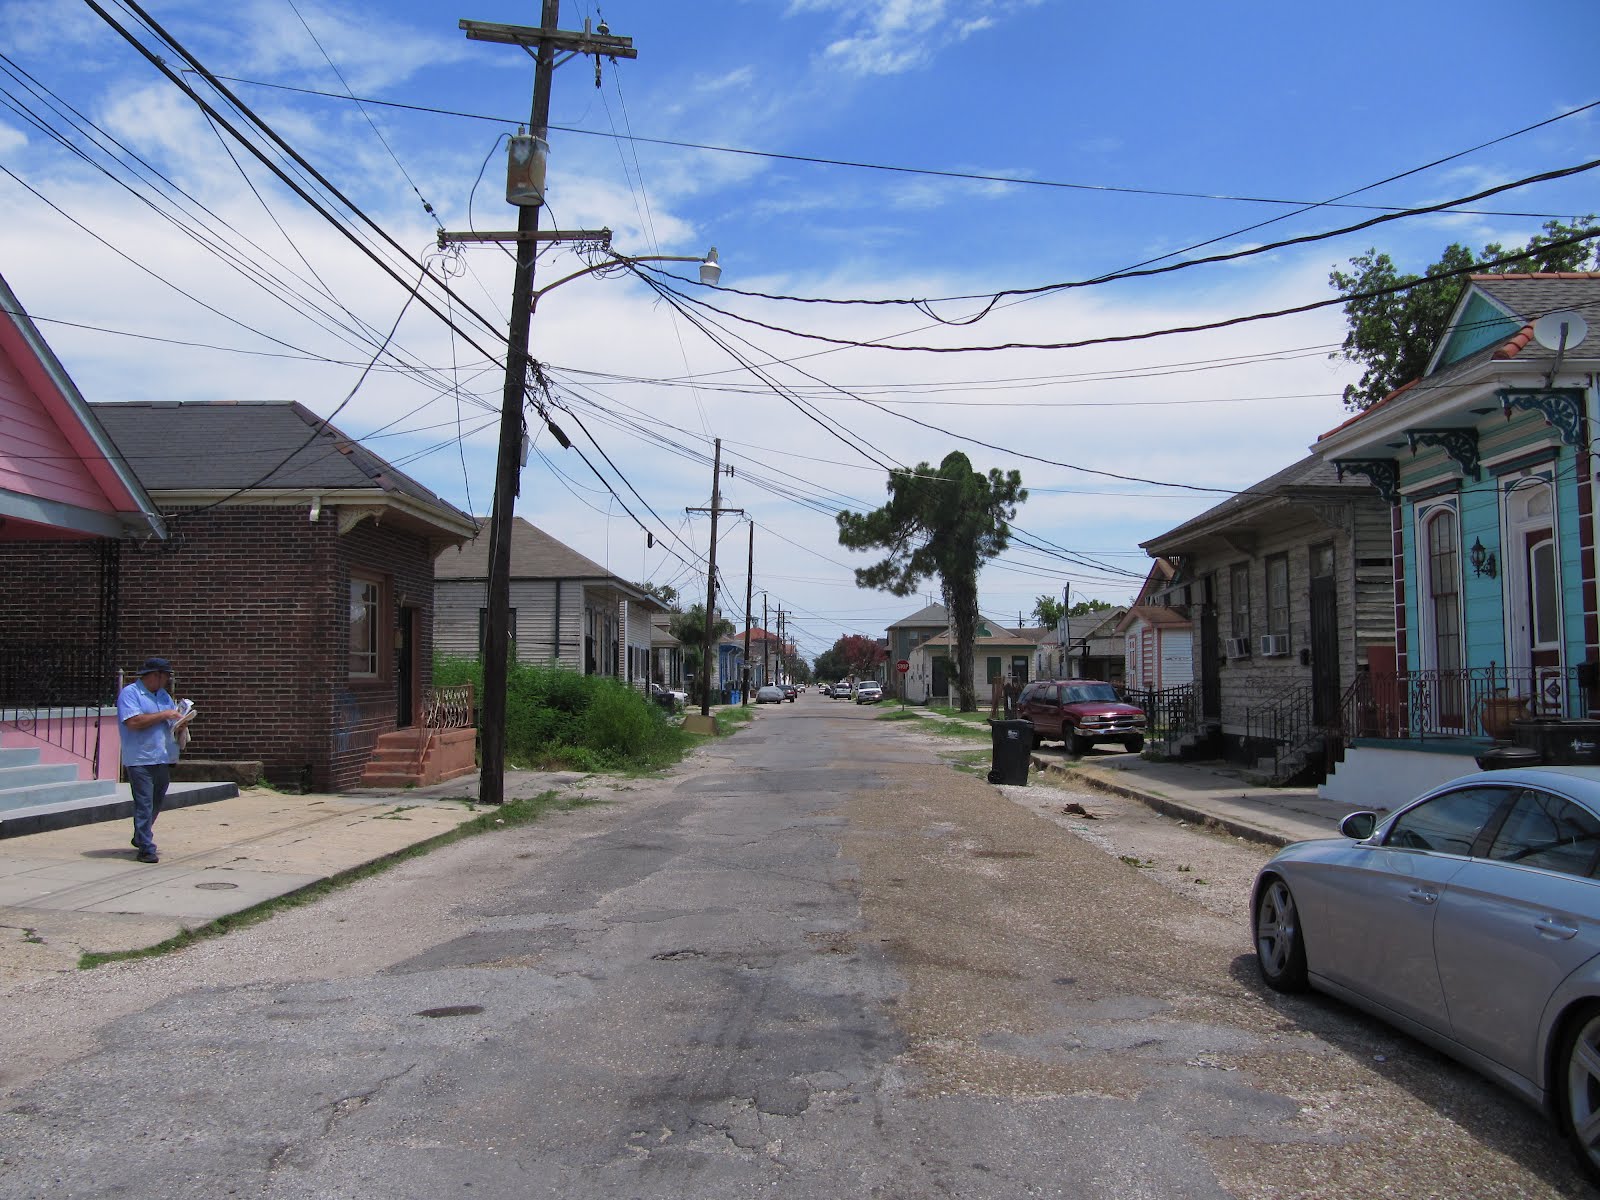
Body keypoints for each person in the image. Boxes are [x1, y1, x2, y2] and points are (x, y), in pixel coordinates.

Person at [117, 657, 192, 864]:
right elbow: (133, 721)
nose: (166, 680)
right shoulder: (131, 693)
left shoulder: (163, 696)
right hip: (140, 758)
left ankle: (141, 835)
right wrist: (163, 715)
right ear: (154, 675)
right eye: (165, 676)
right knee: (144, 802)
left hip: (161, 756)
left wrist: (180, 723)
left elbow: (168, 722)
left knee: (156, 801)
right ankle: (146, 847)